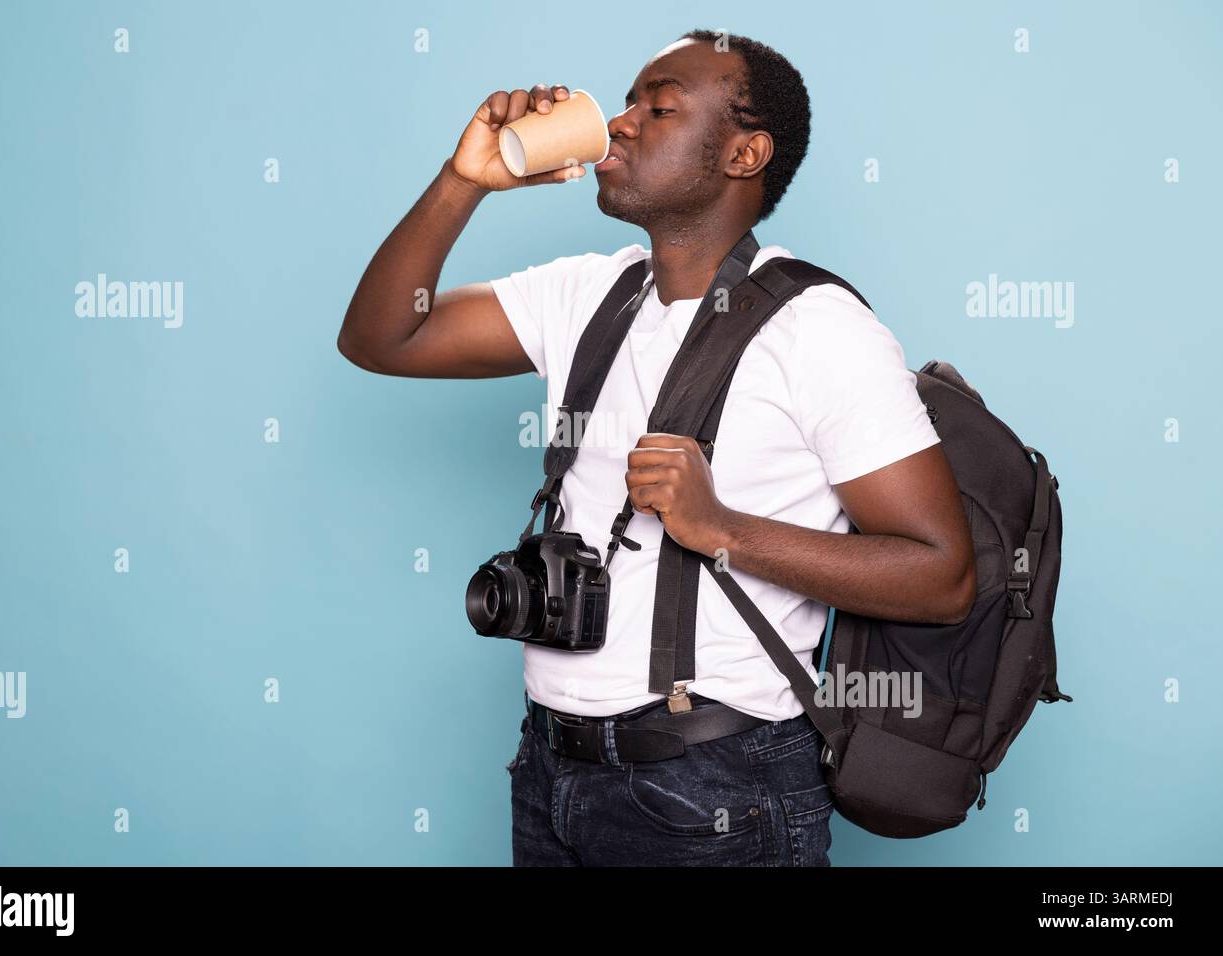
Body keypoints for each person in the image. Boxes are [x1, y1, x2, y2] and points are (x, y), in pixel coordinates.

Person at [337, 30, 975, 867]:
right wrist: (466, 182)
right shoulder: (588, 293)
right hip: (550, 767)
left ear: (745, 153)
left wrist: (720, 527)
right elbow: (383, 337)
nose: (622, 123)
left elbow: (942, 575)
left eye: (659, 106)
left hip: (719, 787)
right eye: (628, 101)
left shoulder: (820, 330)